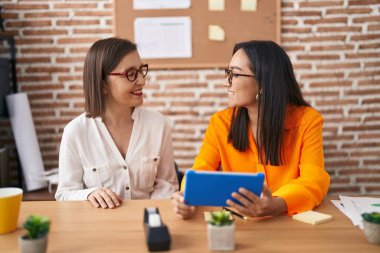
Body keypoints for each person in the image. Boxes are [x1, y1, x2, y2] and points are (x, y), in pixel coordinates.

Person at [171, 40, 330, 219]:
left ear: (262, 83)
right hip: (238, 223)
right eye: (228, 73)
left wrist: (277, 204)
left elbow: (314, 180)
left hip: (288, 221)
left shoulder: (308, 121)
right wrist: (186, 196)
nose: (226, 83)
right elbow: (199, 172)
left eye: (235, 75)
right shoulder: (220, 123)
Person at [56, 38, 178, 208]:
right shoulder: (75, 132)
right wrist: (89, 193)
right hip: (100, 228)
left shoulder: (158, 124)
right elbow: (65, 193)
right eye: (130, 74)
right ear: (102, 83)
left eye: (141, 70)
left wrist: (150, 214)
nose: (142, 81)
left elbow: (167, 185)